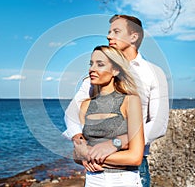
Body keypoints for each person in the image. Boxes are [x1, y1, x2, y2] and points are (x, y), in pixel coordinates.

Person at [63, 14, 169, 187]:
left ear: (133, 37)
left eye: (116, 31)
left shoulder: (153, 73)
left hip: (131, 166)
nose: (109, 36)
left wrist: (116, 143)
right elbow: (71, 113)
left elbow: (159, 124)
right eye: (109, 31)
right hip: (95, 167)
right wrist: (81, 145)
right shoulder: (96, 76)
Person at [73, 45, 144, 186]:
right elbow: (77, 153)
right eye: (91, 63)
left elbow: (135, 157)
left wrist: (89, 155)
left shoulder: (130, 101)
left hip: (122, 180)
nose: (92, 69)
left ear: (116, 70)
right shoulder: (85, 105)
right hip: (92, 181)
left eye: (100, 64)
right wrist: (82, 156)